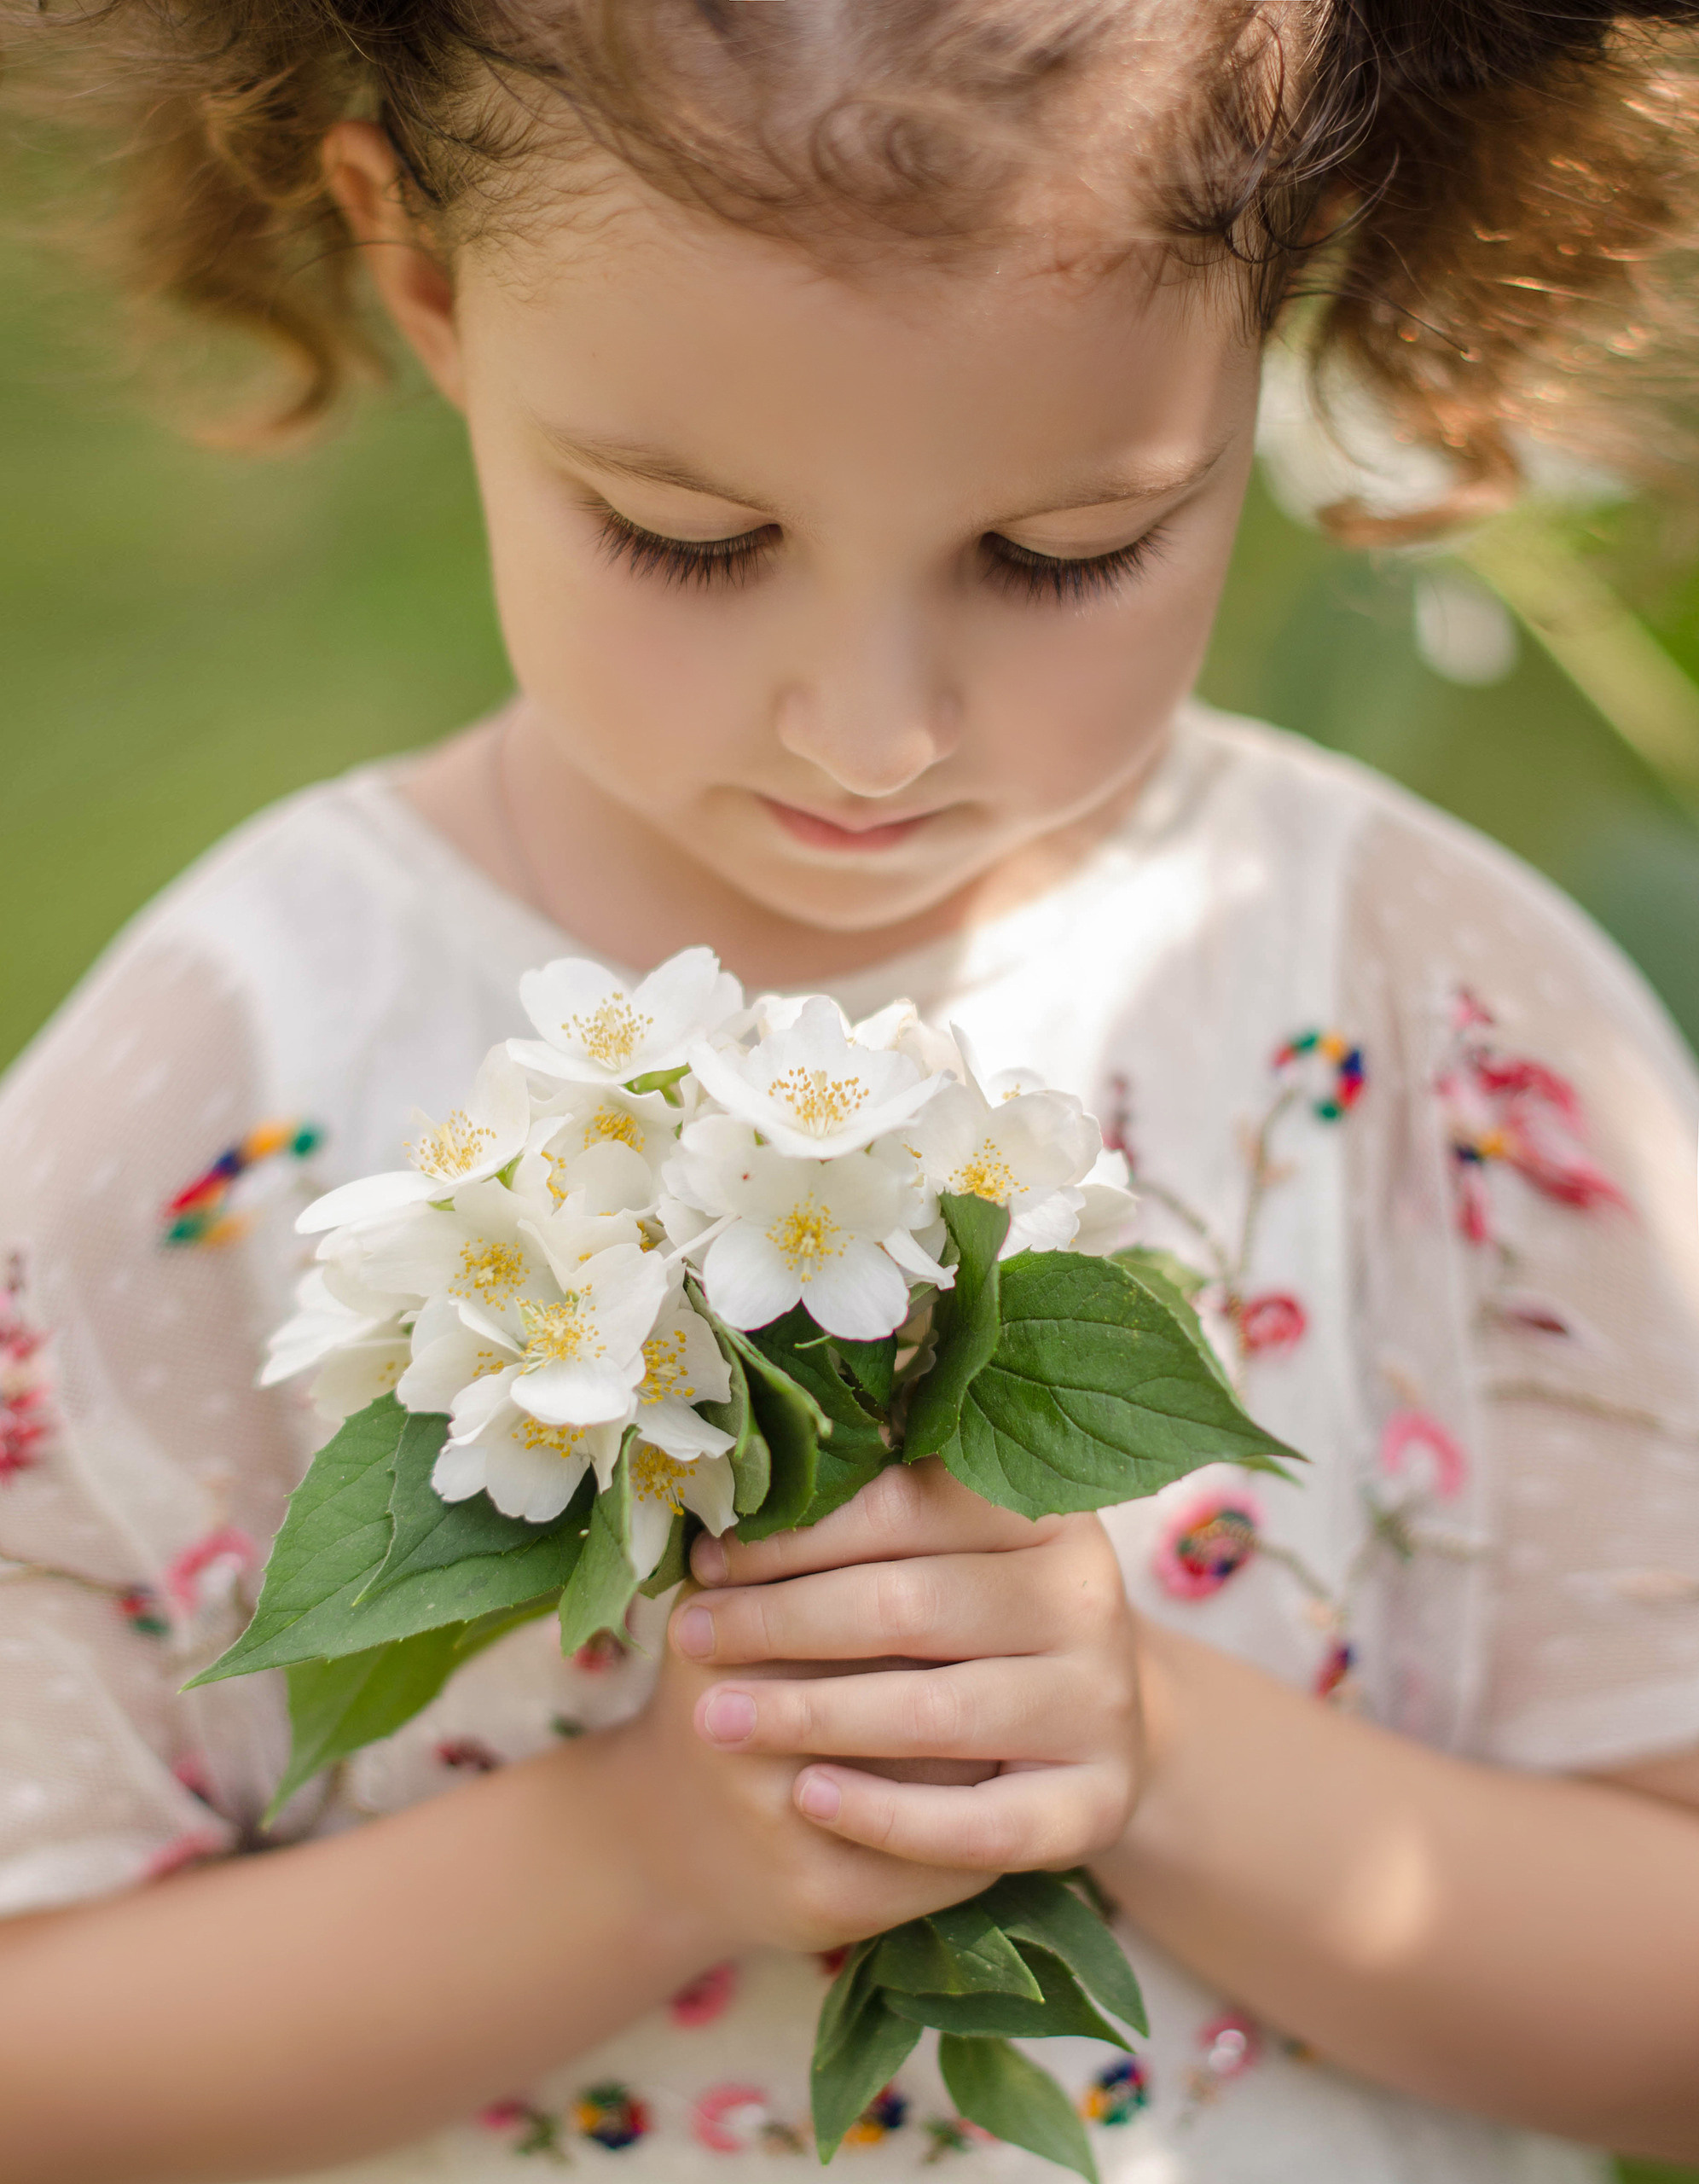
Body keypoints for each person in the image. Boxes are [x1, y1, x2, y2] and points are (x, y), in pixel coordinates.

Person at [2, 3, 1698, 2179]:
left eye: (1065, 548)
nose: (872, 733)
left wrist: (1152, 1752)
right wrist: (650, 1852)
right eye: (688, 534)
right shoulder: (236, 1078)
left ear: (1287, 299)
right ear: (420, 274)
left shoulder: (1426, 1014)